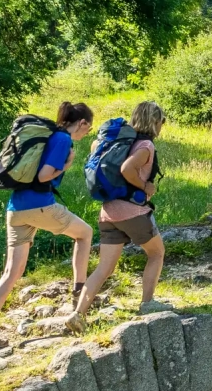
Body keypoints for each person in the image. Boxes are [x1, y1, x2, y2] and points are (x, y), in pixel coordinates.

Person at [0, 102, 95, 348]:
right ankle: (79, 296)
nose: (86, 134)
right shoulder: (62, 140)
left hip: (16, 209)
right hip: (39, 206)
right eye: (88, 129)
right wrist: (68, 164)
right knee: (85, 234)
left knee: (12, 272)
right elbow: (44, 175)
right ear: (81, 123)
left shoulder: (50, 135)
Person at [73, 101, 171, 324]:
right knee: (156, 253)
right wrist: (145, 187)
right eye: (162, 121)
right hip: (133, 212)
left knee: (104, 268)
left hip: (108, 213)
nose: (162, 126)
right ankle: (147, 303)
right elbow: (127, 169)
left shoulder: (116, 142)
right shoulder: (145, 145)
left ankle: (78, 314)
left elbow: (95, 153)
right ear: (155, 122)